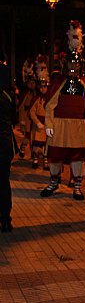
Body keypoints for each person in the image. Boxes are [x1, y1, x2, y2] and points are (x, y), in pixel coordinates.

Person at [40, 20, 85, 200]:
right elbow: (50, 106)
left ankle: (77, 186)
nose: (73, 67)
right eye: (70, 64)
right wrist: (49, 124)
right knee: (55, 156)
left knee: (77, 158)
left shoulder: (84, 85)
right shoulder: (58, 83)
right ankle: (53, 182)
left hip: (78, 127)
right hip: (59, 126)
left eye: (76, 64)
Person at [0, 63, 17, 232]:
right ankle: (5, 219)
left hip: (4, 144)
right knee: (4, 182)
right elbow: (14, 118)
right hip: (5, 145)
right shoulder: (8, 96)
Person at [29, 77, 49, 170]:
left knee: (46, 145)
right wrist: (37, 122)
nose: (43, 89)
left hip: (47, 125)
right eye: (41, 87)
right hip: (37, 125)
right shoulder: (36, 99)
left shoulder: (49, 99)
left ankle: (46, 162)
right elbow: (31, 112)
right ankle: (35, 160)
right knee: (36, 144)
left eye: (44, 87)